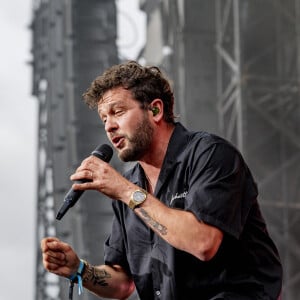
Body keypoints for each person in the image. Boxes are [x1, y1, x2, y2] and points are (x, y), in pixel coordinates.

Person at [41, 61, 283, 300]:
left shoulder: (210, 154)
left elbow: (203, 242)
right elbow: (123, 284)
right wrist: (79, 270)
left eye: (118, 112)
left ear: (155, 110)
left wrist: (127, 192)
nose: (109, 126)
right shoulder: (129, 184)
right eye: (104, 118)